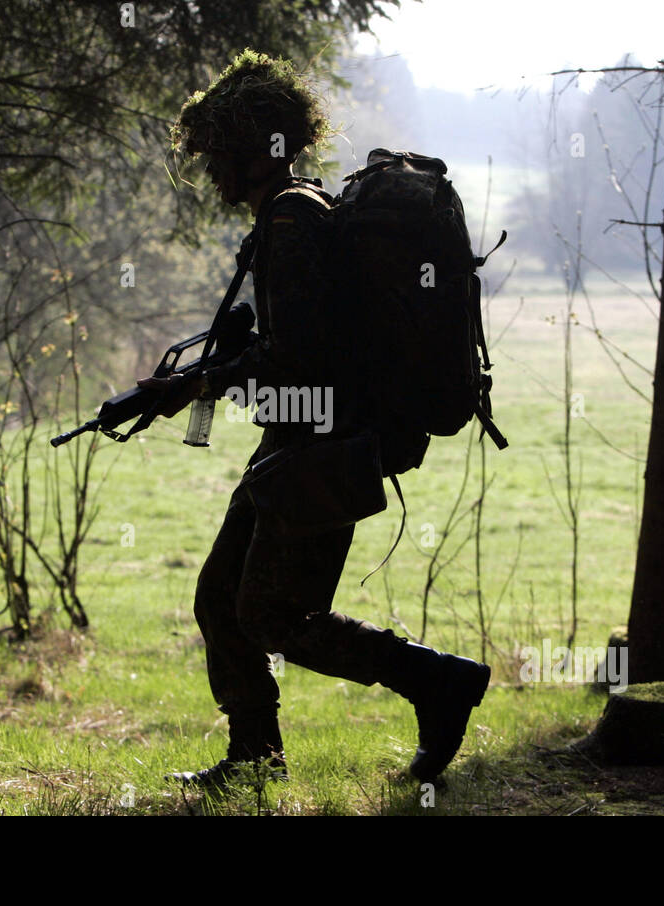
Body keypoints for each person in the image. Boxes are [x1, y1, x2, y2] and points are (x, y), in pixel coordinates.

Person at [140, 50, 490, 790]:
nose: (211, 174)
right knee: (221, 599)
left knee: (273, 612)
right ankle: (253, 762)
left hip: (324, 445)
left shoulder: (294, 221)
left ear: (252, 150)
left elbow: (300, 362)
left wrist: (200, 383)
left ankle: (437, 682)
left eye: (219, 156)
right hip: (301, 441)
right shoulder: (292, 212)